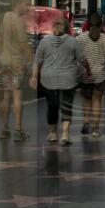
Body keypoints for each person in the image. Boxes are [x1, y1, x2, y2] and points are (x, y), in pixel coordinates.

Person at [30, 16, 84, 144]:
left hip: (48, 79)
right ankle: (65, 135)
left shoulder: (44, 42)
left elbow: (37, 61)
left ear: (52, 27)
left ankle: (53, 134)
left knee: (51, 106)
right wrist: (88, 70)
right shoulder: (72, 41)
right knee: (66, 106)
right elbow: (82, 59)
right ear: (66, 28)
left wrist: (34, 76)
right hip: (69, 78)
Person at [0, 0, 32, 141]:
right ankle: (18, 130)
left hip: (5, 62)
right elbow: (24, 44)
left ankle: (5, 128)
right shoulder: (18, 22)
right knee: (17, 96)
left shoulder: (6, 17)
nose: (28, 8)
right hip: (17, 64)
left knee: (6, 96)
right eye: (26, 5)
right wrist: (31, 59)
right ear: (18, 4)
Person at [76, 13, 105, 137]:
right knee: (97, 100)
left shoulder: (81, 38)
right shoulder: (104, 38)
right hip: (99, 75)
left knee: (86, 99)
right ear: (100, 24)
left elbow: (76, 54)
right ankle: (95, 129)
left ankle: (86, 121)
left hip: (85, 74)